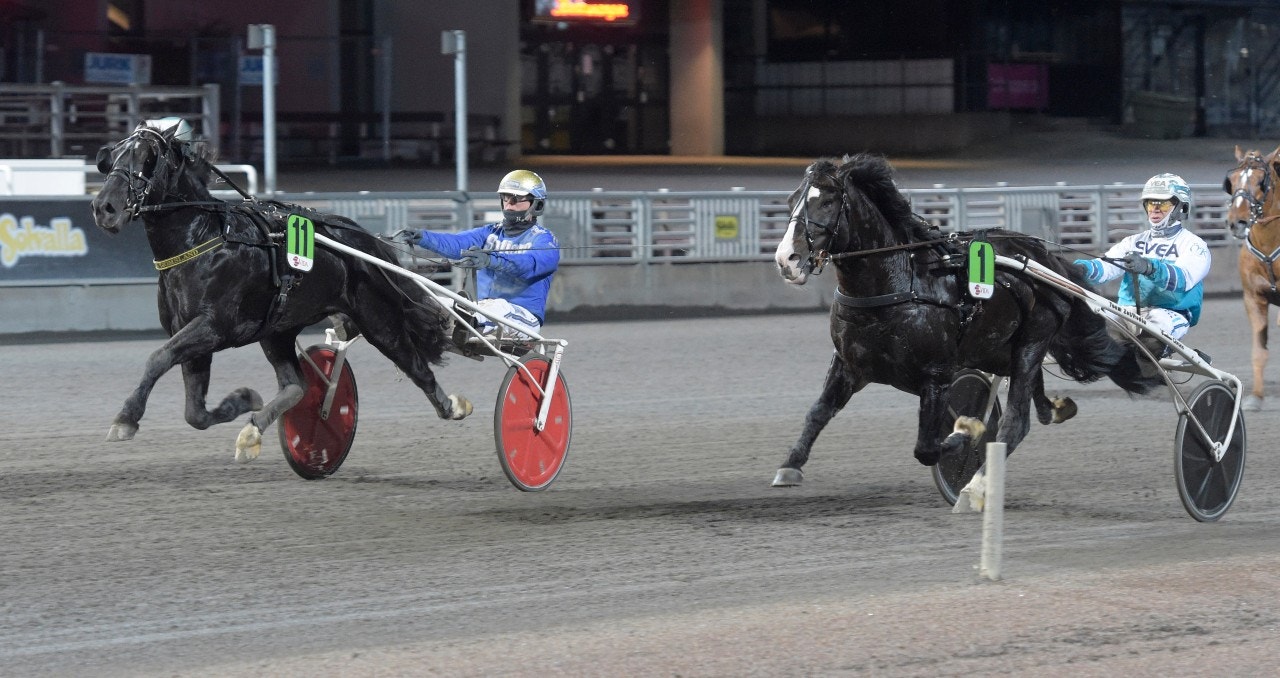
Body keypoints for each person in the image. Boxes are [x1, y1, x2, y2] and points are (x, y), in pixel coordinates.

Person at [393, 169, 560, 340]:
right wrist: (422, 237)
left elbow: (527, 265)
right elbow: (456, 243)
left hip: (523, 319)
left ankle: (466, 323)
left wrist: (490, 260)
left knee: (498, 307)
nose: (509, 204)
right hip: (479, 309)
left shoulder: (545, 240)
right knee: (427, 302)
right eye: (505, 198)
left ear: (536, 204)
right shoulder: (489, 232)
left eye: (515, 199)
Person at [1072, 172, 1211, 350]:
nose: (1155, 209)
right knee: (1090, 326)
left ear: (1180, 207)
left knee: (1152, 338)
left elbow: (1183, 280)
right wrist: (1080, 270)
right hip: (1128, 313)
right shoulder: (1133, 242)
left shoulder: (1194, 245)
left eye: (1164, 203)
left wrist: (1149, 268)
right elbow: (1107, 267)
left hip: (1170, 313)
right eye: (1152, 203)